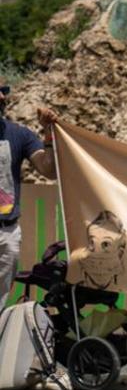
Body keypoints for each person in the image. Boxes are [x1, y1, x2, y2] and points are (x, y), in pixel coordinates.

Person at [0, 78, 57, 297]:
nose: (2, 97)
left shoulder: (19, 135)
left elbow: (48, 169)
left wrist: (49, 134)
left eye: (4, 91)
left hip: (8, 233)